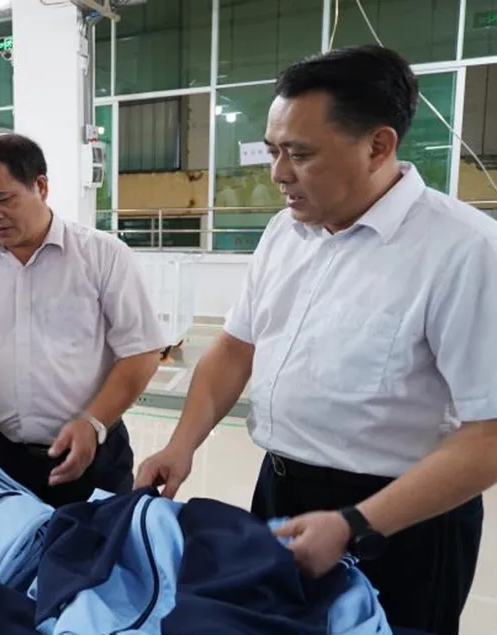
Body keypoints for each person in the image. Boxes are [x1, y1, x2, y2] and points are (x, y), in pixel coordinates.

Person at [134, 45, 497, 635]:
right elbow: (235, 348)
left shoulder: (465, 251)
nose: (278, 173)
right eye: (274, 150)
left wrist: (356, 523)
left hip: (400, 523)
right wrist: (182, 444)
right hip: (280, 491)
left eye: (300, 154)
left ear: (378, 146)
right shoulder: (286, 231)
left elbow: (489, 434)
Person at [0, 132, 165, 508]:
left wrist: (93, 421)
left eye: (4, 199)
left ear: (41, 186)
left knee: (95, 544)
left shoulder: (103, 256)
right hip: (1, 456)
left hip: (94, 448)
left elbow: (141, 352)